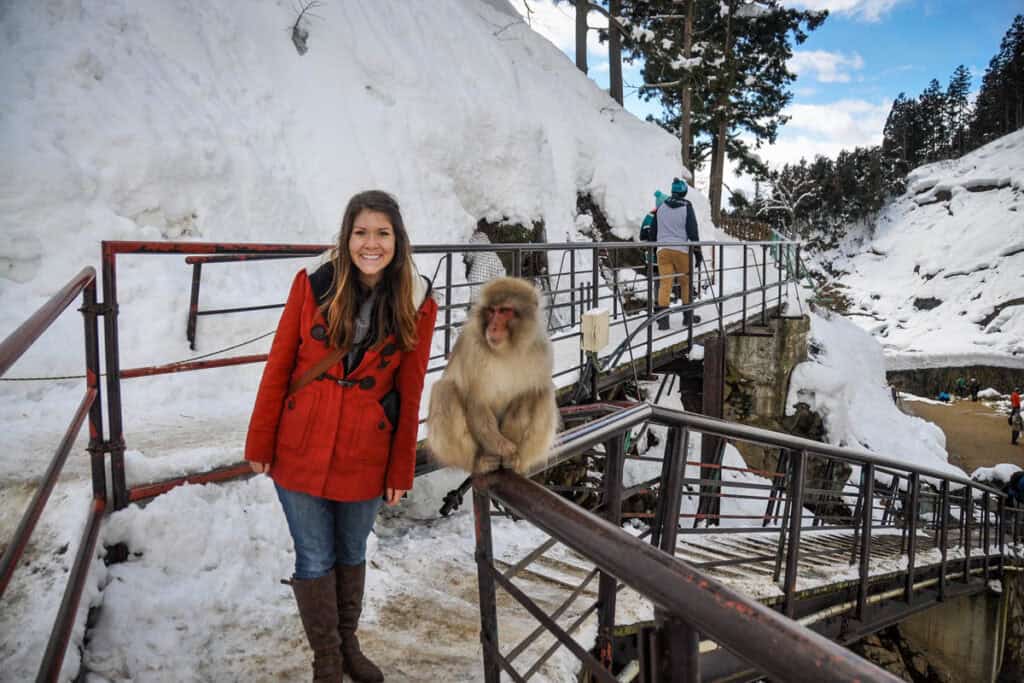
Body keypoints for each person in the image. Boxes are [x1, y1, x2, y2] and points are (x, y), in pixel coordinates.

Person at [245, 190, 438, 682]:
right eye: (361, 232)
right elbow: (280, 363)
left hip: (365, 450)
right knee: (314, 555)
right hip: (300, 441)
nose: (370, 244)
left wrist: (401, 468)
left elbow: (410, 391)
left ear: (398, 239)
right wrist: (259, 442)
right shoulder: (314, 283)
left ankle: (347, 645)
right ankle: (327, 660)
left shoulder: (417, 298)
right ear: (346, 236)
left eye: (382, 233)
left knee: (351, 553)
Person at [655, 177, 702, 330]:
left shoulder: (661, 206)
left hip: (662, 250)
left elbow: (654, 230)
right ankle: (687, 318)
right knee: (685, 282)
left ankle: (663, 322)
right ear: (684, 191)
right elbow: (692, 230)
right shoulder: (687, 206)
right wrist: (698, 252)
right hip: (681, 250)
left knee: (665, 284)